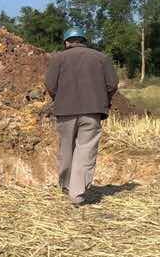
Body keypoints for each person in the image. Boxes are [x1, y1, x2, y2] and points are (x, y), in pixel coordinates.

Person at [44, 27, 119, 207]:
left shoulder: (58, 58)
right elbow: (112, 84)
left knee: (66, 149)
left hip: (65, 111)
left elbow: (50, 85)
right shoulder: (101, 58)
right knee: (85, 151)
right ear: (84, 41)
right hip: (92, 111)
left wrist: (60, 98)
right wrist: (103, 100)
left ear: (66, 42)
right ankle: (77, 194)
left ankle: (66, 185)